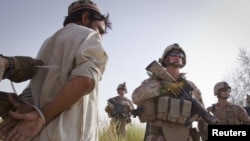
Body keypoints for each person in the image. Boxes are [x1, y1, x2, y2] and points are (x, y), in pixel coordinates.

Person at [0, 0, 112, 141]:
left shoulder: (47, 43)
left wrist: (25, 115)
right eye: (100, 30)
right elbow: (86, 79)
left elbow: (31, 92)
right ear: (85, 18)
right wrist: (42, 118)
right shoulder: (89, 35)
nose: (101, 36)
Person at [131, 43, 206, 141]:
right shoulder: (153, 81)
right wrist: (161, 87)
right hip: (159, 137)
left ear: (183, 60)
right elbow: (135, 97)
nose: (177, 57)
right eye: (173, 54)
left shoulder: (191, 87)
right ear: (165, 59)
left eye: (180, 55)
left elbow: (202, 114)